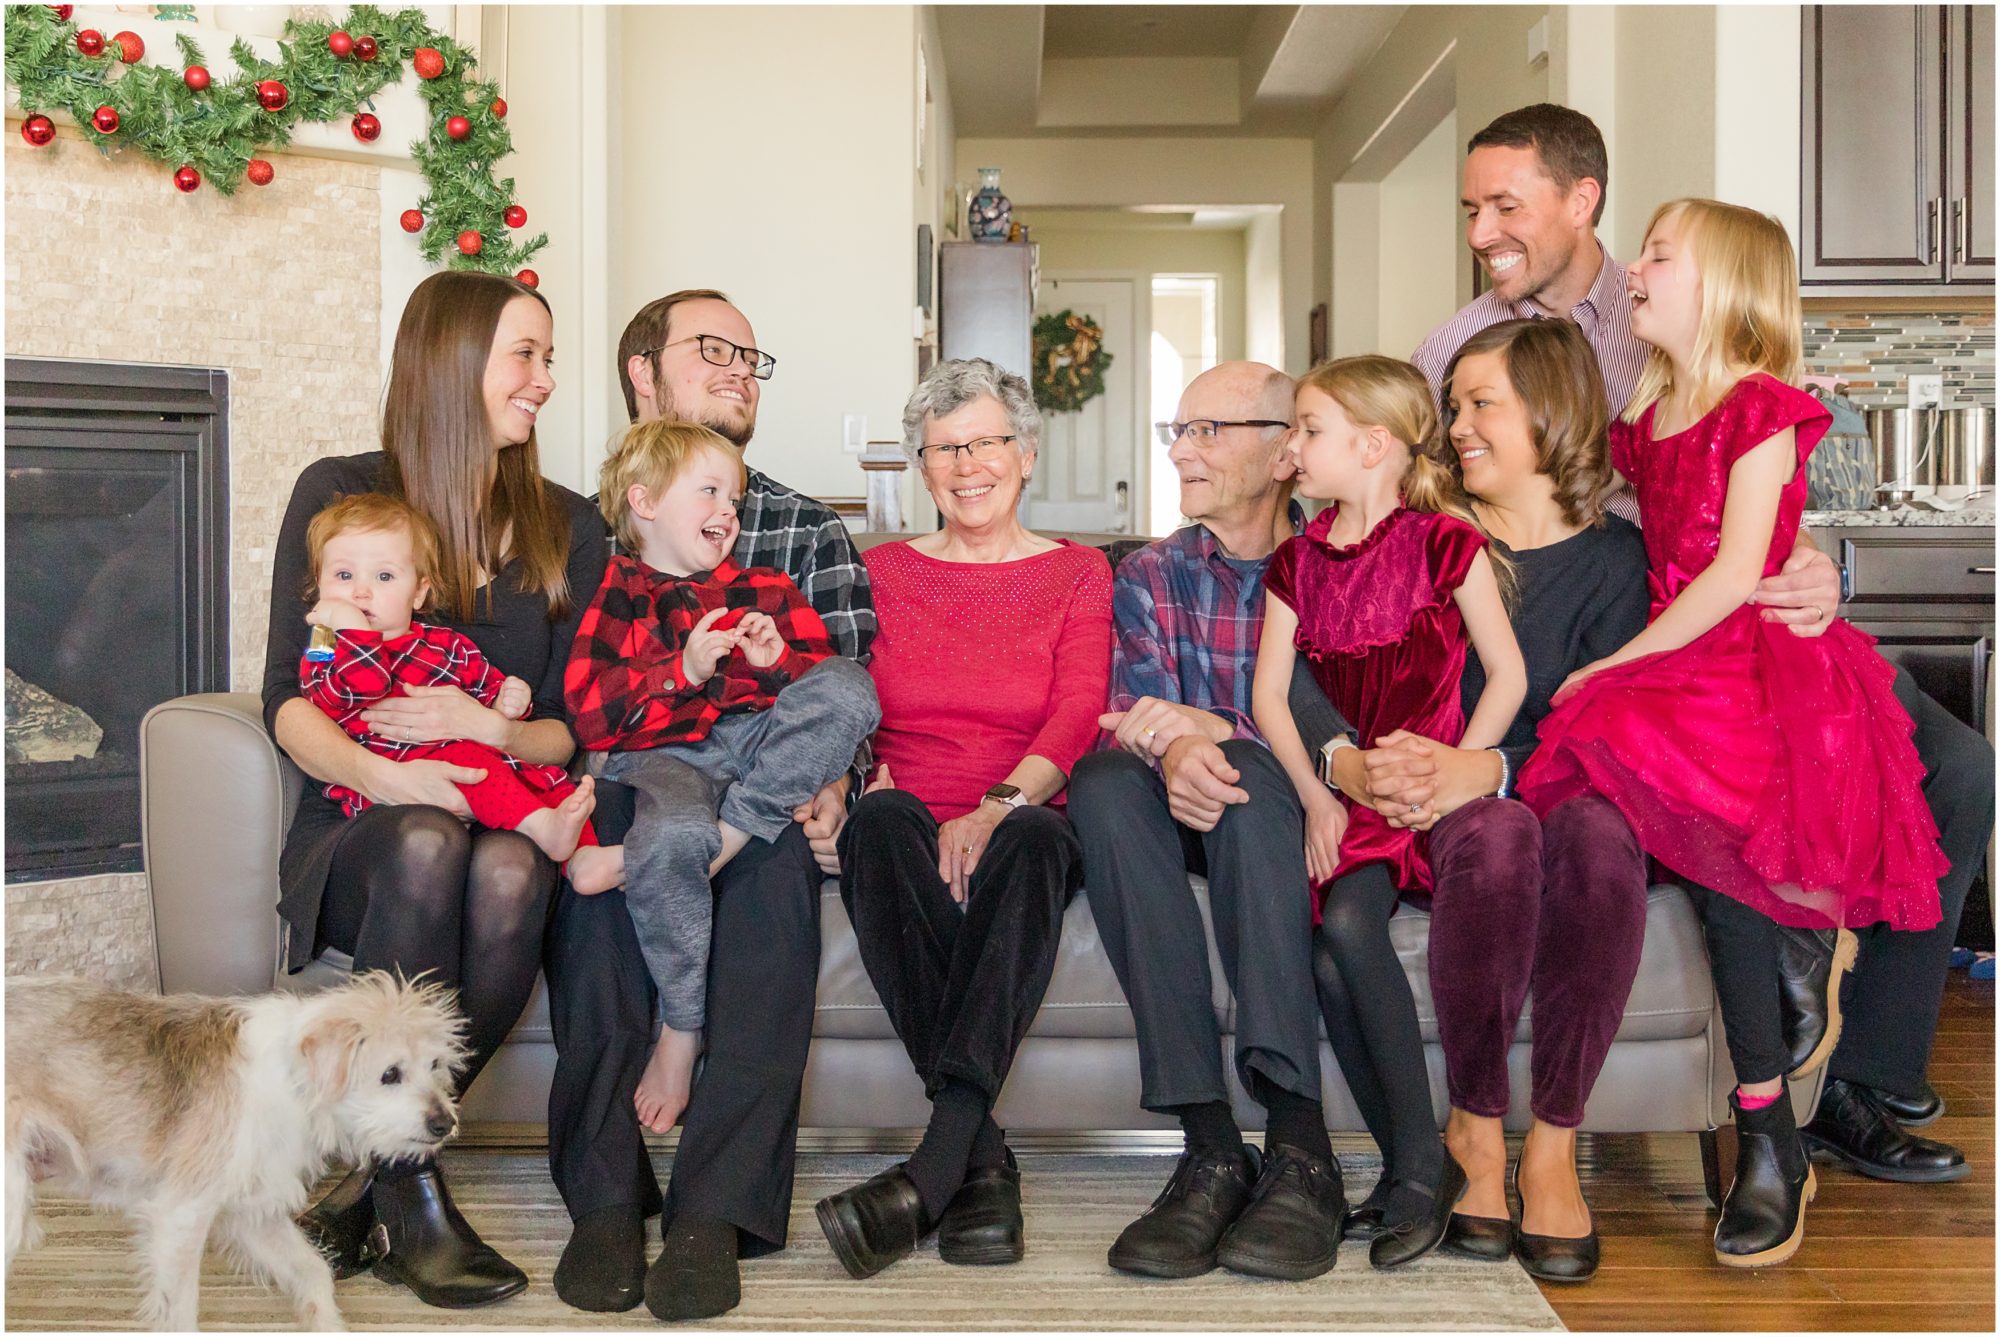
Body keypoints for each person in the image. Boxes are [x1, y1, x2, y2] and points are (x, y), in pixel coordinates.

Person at [1404, 100, 1989, 1183]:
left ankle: (1859, 1080)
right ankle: (1786, 1064)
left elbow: (1754, 469)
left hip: (1742, 617)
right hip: (1639, 618)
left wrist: (1805, 551)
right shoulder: (1457, 347)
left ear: (1580, 202)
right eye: (1469, 210)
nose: (1481, 231)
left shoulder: (1662, 315)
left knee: (1955, 766)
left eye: (1502, 205)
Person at [1517, 199, 1948, 1267]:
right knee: (1698, 844)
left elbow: (1729, 569)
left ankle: (1769, 1122)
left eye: (1659, 256)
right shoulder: (1646, 414)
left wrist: (1618, 660)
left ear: (1725, 289)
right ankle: (1774, 1092)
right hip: (1683, 653)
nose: (1636, 270)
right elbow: (1596, 500)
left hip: (1750, 653)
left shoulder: (1759, 408)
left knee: (1702, 812)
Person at [271, 270, 607, 1308]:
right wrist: (396, 774)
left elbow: (571, 725)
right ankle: (412, 1194)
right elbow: (289, 700)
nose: (545, 379)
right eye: (525, 353)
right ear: (454, 362)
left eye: (547, 356)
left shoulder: (568, 523)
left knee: (508, 866)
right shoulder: (340, 490)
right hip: (363, 825)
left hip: (503, 801)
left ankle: (373, 1182)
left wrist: (494, 729)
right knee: (429, 839)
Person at [546, 289, 874, 1321]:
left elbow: (843, 690)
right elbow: (585, 708)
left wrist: (823, 781)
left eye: (750, 355)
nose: (741, 367)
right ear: (642, 375)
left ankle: (712, 1210)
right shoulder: (590, 534)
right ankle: (605, 1200)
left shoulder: (803, 532)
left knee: (771, 873)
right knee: (611, 855)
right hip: (649, 767)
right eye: (712, 349)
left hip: (759, 781)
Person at [813, 358, 1112, 1280]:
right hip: (908, 811)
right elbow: (846, 698)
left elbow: (1077, 710)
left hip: (1026, 813)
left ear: (1026, 454)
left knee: (1026, 839)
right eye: (944, 448)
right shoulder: (884, 570)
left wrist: (995, 804)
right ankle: (977, 1165)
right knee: (877, 822)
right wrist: (843, 778)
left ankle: (936, 1166)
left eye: (985, 442)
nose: (966, 463)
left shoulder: (1077, 571)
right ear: (922, 466)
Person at [1070, 363, 1348, 1283]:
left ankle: (1303, 1147)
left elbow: (1331, 725)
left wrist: (1212, 735)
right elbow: (1137, 712)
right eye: (1175, 431)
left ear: (1283, 451)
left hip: (1275, 812)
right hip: (1169, 810)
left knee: (1253, 776)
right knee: (1106, 781)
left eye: (1207, 430)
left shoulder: (1344, 564)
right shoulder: (1150, 570)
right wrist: (1177, 747)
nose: (1182, 450)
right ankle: (1212, 1145)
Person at [1255, 356, 1527, 1273]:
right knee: (1334, 933)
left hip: (1431, 785)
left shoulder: (1446, 543)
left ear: (1372, 446)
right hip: (1352, 797)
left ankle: (1416, 1168)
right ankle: (1417, 1161)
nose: (1290, 449)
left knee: (1345, 930)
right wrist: (1311, 797)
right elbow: (1269, 699)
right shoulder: (1296, 561)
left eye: (1307, 429)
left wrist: (1458, 771)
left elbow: (1510, 672)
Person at [562, 418, 879, 1136]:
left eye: (733, 496)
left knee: (850, 692)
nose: (729, 510)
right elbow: (589, 712)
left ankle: (725, 839)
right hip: (665, 759)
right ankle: (681, 1027)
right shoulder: (620, 592)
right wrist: (683, 670)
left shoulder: (764, 586)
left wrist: (776, 664)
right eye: (709, 491)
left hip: (755, 751)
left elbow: (824, 688)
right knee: (671, 831)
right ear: (644, 504)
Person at [301, 492, 600, 865]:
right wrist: (353, 629)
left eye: (384, 576)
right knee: (472, 761)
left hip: (472, 763)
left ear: (419, 592)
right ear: (319, 583)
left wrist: (507, 700)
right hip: (397, 780)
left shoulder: (444, 643)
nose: (361, 591)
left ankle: (586, 860)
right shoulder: (325, 643)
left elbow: (483, 687)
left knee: (545, 777)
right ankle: (541, 827)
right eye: (344, 576)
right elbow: (366, 685)